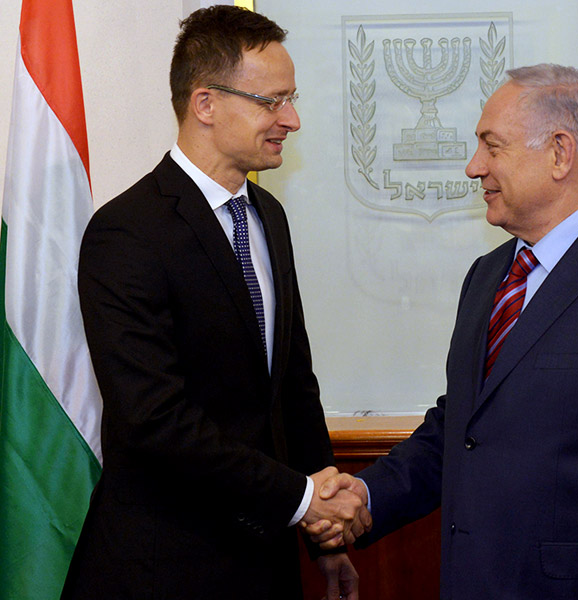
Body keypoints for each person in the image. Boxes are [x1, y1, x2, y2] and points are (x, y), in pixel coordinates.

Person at [311, 64, 578, 600]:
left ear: (560, 152)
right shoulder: (488, 277)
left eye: (492, 146)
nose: (473, 167)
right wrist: (367, 495)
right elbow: (461, 431)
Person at [61, 6, 368, 600]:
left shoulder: (268, 216)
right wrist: (304, 501)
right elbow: (155, 420)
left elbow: (294, 389)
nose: (293, 119)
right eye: (272, 102)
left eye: (291, 98)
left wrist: (327, 543)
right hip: (165, 570)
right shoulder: (126, 232)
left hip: (265, 565)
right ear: (205, 104)